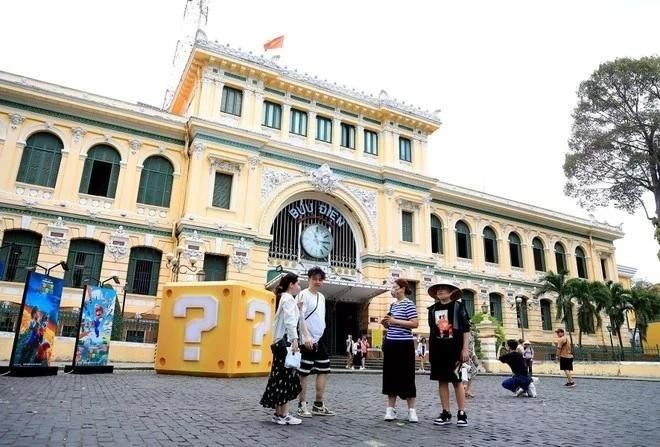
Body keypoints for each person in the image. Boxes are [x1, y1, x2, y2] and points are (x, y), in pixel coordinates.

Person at [260, 272, 303, 425]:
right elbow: (290, 322)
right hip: (285, 344)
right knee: (286, 378)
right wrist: (295, 341)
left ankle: (279, 413)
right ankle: (284, 414)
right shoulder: (288, 299)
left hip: (278, 343)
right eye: (297, 283)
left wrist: (297, 308)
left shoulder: (284, 299)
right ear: (291, 285)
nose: (299, 286)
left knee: (279, 378)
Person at [427, 281, 471, 427]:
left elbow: (466, 329)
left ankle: (462, 413)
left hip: (455, 350)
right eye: (438, 290)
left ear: (451, 292)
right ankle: (445, 412)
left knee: (457, 381)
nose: (439, 291)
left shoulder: (459, 307)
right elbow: (433, 330)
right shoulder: (432, 309)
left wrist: (465, 349)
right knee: (442, 381)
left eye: (443, 289)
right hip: (438, 350)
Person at [297, 267, 335, 417]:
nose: (318, 282)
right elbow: (300, 317)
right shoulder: (302, 295)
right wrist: (306, 337)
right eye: (315, 279)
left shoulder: (322, 297)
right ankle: (302, 405)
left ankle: (318, 404)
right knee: (304, 373)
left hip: (320, 340)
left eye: (320, 279)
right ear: (309, 279)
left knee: (323, 370)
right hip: (306, 340)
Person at [381, 278, 419, 422]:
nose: (394, 289)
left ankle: (411, 411)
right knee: (390, 376)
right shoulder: (392, 305)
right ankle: (390, 410)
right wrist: (387, 323)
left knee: (408, 376)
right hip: (391, 343)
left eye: (396, 287)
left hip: (404, 344)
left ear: (402, 288)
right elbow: (391, 323)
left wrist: (395, 321)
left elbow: (414, 323)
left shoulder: (409, 304)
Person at [463, 329, 480, 398]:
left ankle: (467, 390)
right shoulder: (461, 333)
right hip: (464, 355)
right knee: (465, 372)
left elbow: (480, 336)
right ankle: (465, 390)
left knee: (472, 372)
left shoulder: (471, 333)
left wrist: (491, 335)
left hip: (471, 355)